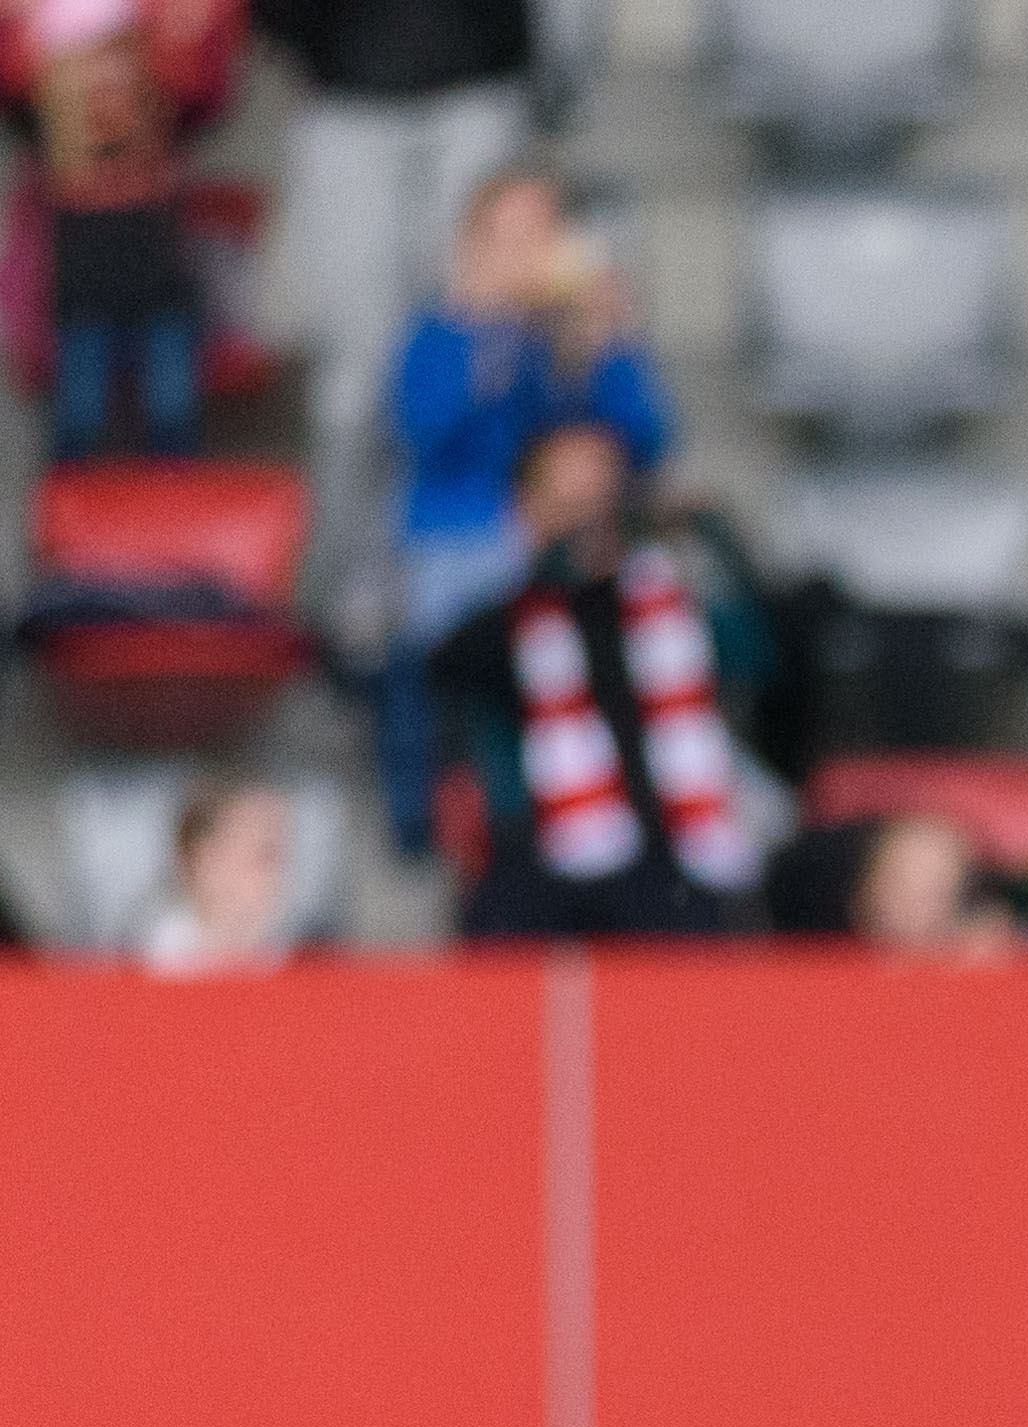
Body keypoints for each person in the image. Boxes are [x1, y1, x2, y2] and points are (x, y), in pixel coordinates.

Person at [381, 165, 672, 855]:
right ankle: (441, 806)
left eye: (541, 233)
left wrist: (613, 344)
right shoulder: (440, 334)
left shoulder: (571, 335)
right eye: (508, 235)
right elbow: (425, 433)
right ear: (474, 246)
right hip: (465, 536)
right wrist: (488, 334)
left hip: (567, 544)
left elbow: (646, 442)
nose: (526, 251)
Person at [429, 421, 766, 939]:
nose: (590, 520)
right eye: (570, 504)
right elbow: (442, 668)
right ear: (527, 510)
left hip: (684, 867)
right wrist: (548, 570)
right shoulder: (507, 625)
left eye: (603, 500)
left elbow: (764, 656)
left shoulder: (679, 608)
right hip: (554, 874)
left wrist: (717, 538)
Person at [257, 0, 536, 588]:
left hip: (475, 88)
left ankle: (502, 579)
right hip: (348, 98)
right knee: (356, 383)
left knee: (488, 346)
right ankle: (353, 595)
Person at [32, 13, 201, 461]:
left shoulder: (164, 148)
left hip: (161, 302)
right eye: (95, 91)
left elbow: (194, 86)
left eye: (119, 90)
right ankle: (66, 514)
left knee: (173, 415)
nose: (108, 103)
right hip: (85, 307)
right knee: (79, 419)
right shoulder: (60, 160)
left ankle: (175, 509)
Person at [761, 810, 1018, 958]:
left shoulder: (987, 970)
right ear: (860, 894)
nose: (912, 903)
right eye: (899, 882)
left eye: (933, 889)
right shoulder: (812, 971)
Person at [135, 776, 306, 972]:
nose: (280, 871)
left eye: (285, 852)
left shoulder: (294, 953)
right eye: (265, 855)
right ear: (206, 857)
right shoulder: (157, 958)